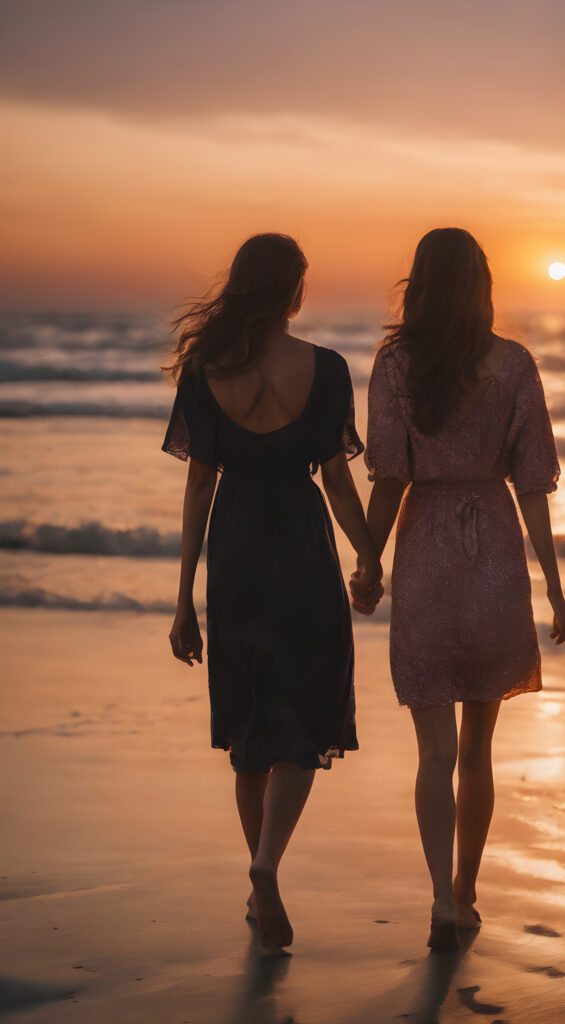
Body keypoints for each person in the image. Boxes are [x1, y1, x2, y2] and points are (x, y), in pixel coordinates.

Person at [354, 227, 565, 951]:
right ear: (481, 285)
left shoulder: (397, 364)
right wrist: (553, 585)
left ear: (418, 283)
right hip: (495, 559)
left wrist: (368, 560)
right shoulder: (512, 364)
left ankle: (442, 899)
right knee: (479, 748)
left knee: (434, 752)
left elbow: (388, 476)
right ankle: (467, 892)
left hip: (424, 549)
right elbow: (534, 484)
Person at [161, 233, 382, 952]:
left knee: (251, 731)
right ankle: (266, 864)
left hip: (234, 553)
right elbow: (338, 479)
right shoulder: (323, 368)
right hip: (301, 550)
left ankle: (259, 884)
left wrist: (184, 596)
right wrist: (370, 556)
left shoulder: (206, 368)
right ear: (292, 290)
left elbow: (199, 484)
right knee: (304, 715)